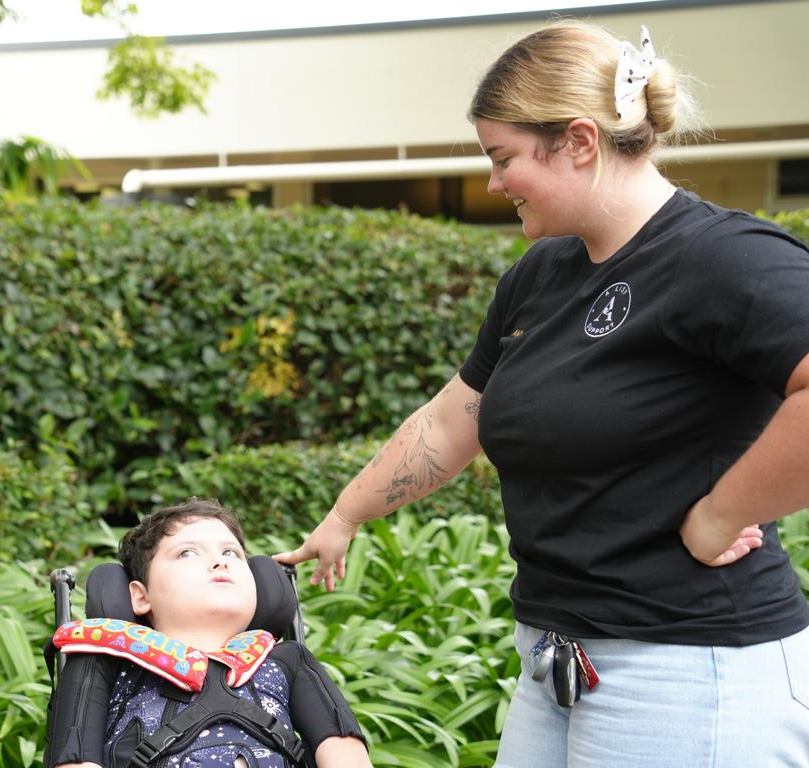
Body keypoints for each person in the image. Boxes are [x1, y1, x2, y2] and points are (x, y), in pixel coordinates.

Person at [274, 19, 809, 768]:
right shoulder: (542, 273)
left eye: (504, 158)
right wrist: (347, 514)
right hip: (556, 662)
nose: (493, 183)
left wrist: (723, 514)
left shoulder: (723, 257)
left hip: (687, 667)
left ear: (581, 141)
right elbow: (458, 415)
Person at [46, 498, 371, 768]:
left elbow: (343, 751)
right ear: (140, 596)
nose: (219, 562)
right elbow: (75, 761)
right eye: (187, 553)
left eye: (231, 552)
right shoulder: (105, 662)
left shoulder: (286, 661)